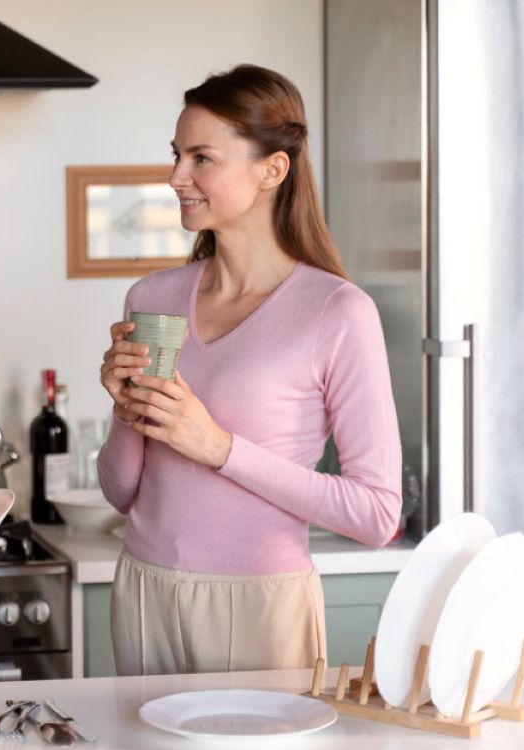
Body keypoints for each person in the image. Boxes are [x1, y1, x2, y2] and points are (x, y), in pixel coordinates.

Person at [97, 65, 401, 676]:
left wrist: (219, 448)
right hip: (144, 589)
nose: (177, 177)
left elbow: (377, 516)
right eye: (177, 155)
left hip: (261, 602)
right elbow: (122, 492)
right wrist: (126, 410)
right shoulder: (150, 297)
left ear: (272, 169)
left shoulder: (337, 312)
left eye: (201, 158)